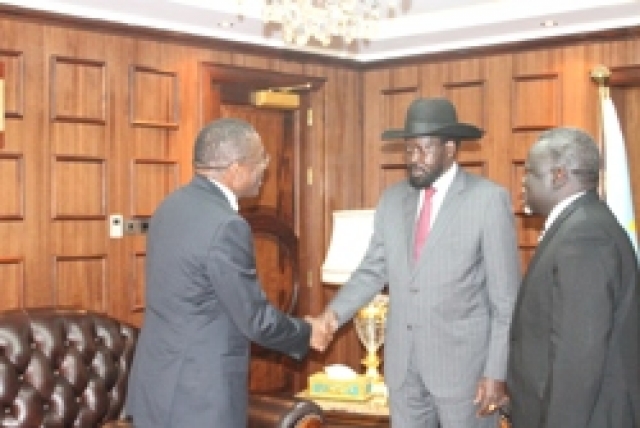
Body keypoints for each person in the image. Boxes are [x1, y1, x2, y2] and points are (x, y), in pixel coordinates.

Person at [315, 97, 521, 428]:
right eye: (408, 150)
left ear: (450, 149)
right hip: (403, 369)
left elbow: (506, 300)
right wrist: (332, 315)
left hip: (464, 374)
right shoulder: (392, 200)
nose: (414, 159)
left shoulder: (487, 200)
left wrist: (496, 372)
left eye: (423, 150)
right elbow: (372, 270)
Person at [125, 118, 330, 428]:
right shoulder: (227, 226)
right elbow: (256, 320)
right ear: (236, 169)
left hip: (156, 387)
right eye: (261, 159)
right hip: (200, 399)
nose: (266, 167)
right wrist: (306, 332)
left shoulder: (169, 207)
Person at [507, 126, 640, 427]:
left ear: (558, 176)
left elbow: (579, 355)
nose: (523, 184)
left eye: (529, 173)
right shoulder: (580, 224)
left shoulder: (584, 236)